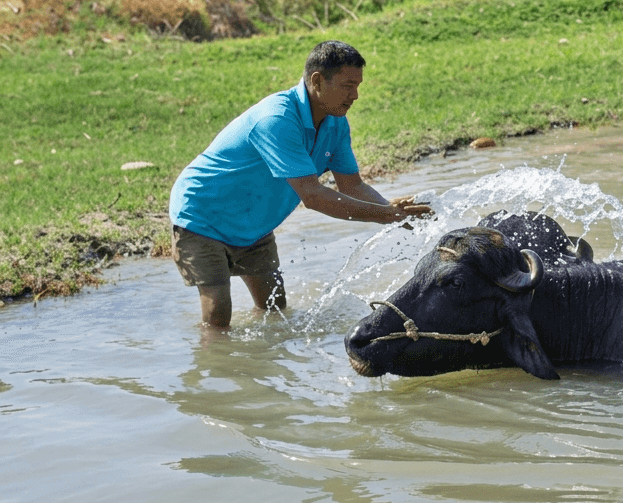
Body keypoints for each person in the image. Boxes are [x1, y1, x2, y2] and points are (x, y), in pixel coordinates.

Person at [169, 40, 429, 327]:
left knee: (275, 311)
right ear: (317, 81)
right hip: (202, 217)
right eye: (347, 86)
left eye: (358, 86)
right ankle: (212, 366)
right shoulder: (277, 119)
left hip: (253, 226)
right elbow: (313, 197)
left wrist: (397, 214)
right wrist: (386, 215)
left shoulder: (335, 123)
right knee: (218, 317)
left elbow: (352, 186)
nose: (355, 95)